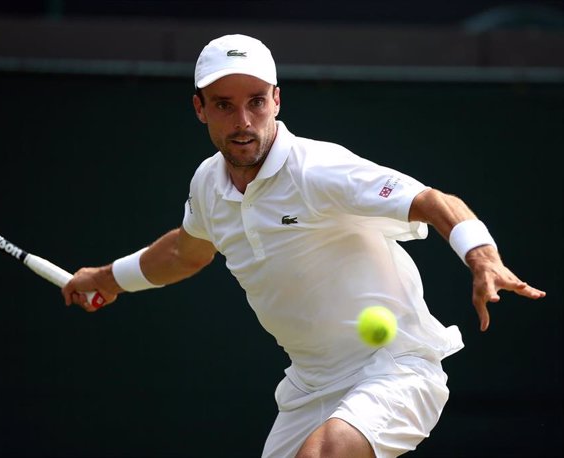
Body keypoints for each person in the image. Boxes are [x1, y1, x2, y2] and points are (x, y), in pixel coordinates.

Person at [61, 34, 546, 458]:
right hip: (310, 383)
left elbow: (431, 201)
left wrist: (483, 258)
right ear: (199, 108)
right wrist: (104, 279)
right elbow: (183, 253)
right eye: (224, 105)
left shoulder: (318, 169)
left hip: (395, 368)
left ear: (276, 100)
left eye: (255, 101)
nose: (243, 120)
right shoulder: (208, 184)